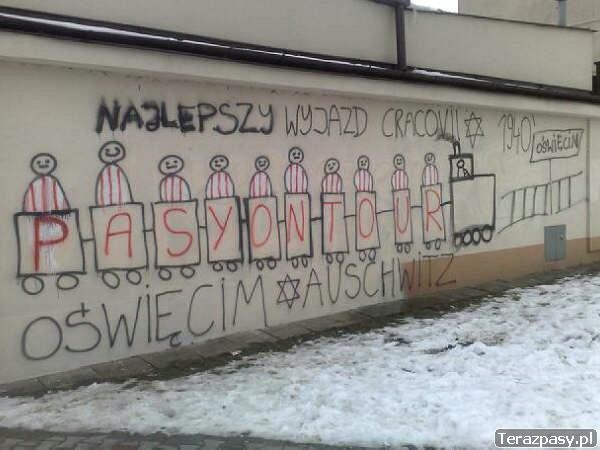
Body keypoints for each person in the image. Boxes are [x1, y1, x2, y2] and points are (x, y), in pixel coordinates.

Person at [95, 141, 133, 206]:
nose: (111, 153)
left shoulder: (118, 171)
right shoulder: (106, 172)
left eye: (117, 150)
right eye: (107, 151)